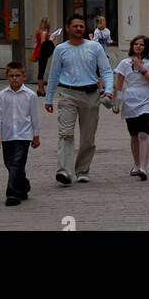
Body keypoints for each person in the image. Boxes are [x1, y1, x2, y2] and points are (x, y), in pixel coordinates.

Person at [44, 14, 113, 184]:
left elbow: (106, 71)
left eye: (81, 26)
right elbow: (53, 74)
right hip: (68, 94)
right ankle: (64, 171)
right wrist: (48, 98)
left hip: (90, 95)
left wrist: (109, 90)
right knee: (65, 133)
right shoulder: (60, 49)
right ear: (67, 28)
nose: (79, 29)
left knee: (88, 138)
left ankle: (82, 169)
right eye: (75, 26)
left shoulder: (95, 47)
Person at [0, 61, 41, 206]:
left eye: (17, 75)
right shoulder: (2, 95)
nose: (14, 78)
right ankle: (23, 185)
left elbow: (35, 116)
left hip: (24, 135)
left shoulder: (30, 95)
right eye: (11, 76)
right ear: (7, 77)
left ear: (24, 76)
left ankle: (12, 194)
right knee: (9, 164)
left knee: (16, 163)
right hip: (7, 135)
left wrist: (36, 135)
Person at [113, 35, 149, 180]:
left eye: (142, 44)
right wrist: (116, 103)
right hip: (130, 100)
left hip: (147, 99)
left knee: (143, 133)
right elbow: (119, 85)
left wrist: (141, 68)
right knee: (134, 134)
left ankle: (143, 168)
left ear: (146, 47)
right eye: (136, 44)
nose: (138, 47)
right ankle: (136, 164)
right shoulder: (124, 63)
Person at [34, 19, 55, 97]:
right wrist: (51, 40)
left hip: (38, 51)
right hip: (42, 52)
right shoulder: (44, 32)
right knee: (41, 71)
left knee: (41, 70)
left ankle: (40, 89)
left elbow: (37, 41)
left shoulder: (38, 31)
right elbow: (43, 43)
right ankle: (41, 89)